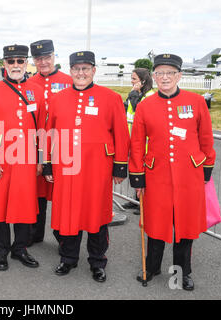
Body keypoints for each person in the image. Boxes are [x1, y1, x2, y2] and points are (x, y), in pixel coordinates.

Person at [129, 54, 216, 291]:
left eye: (170, 73)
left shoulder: (196, 102)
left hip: (189, 174)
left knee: (185, 225)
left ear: (179, 75)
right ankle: (153, 265)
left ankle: (182, 271)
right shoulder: (145, 105)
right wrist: (137, 176)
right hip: (156, 174)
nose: (164, 77)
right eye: (160, 73)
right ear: (154, 76)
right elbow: (136, 143)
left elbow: (206, 138)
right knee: (155, 222)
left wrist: (207, 168)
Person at [43, 51, 130, 283]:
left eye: (85, 68)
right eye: (76, 69)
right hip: (66, 168)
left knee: (96, 215)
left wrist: (120, 166)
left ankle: (97, 261)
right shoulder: (58, 98)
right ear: (70, 71)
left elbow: (121, 133)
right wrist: (48, 164)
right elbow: (49, 134)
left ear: (93, 70)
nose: (80, 73)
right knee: (69, 214)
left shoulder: (110, 97)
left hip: (97, 168)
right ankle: (68, 258)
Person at [0, 44, 46, 271]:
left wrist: (41, 160)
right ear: (4, 64)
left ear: (26, 63)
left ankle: (20, 249)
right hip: (0, 160)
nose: (16, 65)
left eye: (20, 61)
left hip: (26, 160)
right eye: (11, 61)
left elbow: (42, 128)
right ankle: (1, 251)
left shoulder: (37, 90)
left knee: (24, 207)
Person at [28, 39, 73, 247]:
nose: (43, 62)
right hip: (34, 145)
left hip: (60, 145)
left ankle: (62, 233)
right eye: (38, 58)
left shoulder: (68, 80)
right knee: (36, 191)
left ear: (54, 56)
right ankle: (34, 232)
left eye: (47, 57)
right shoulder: (28, 84)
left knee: (61, 192)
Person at [122, 68, 155, 213]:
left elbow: (137, 109)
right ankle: (135, 199)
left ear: (143, 81)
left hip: (146, 143)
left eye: (134, 79)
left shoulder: (149, 96)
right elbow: (126, 109)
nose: (132, 81)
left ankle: (143, 202)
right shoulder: (136, 94)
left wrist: (134, 95)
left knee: (145, 176)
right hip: (132, 140)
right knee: (135, 172)